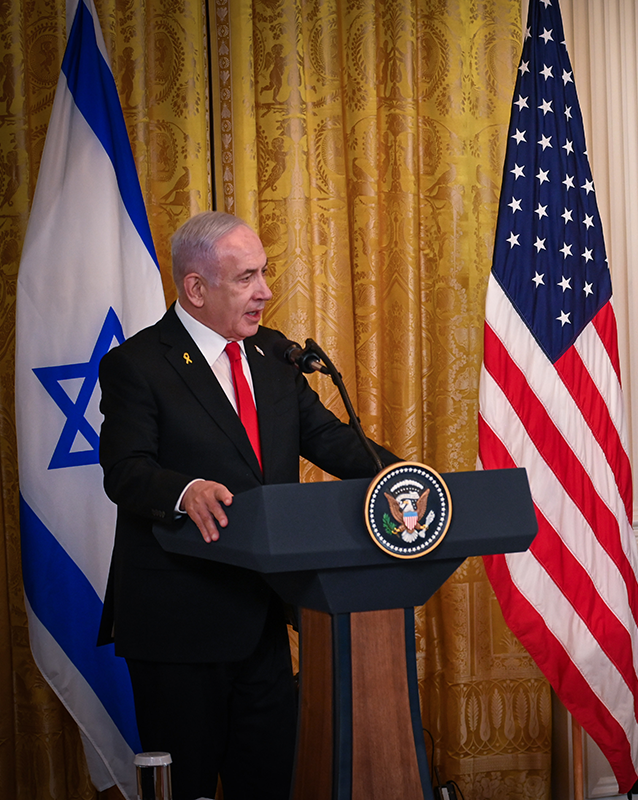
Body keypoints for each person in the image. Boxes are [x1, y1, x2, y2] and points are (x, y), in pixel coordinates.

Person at [97, 211, 396, 800]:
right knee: (187, 788)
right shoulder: (138, 365)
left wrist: (404, 477)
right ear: (196, 288)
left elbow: (330, 439)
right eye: (246, 279)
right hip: (178, 625)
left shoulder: (273, 357)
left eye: (264, 273)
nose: (265, 292)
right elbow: (125, 471)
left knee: (268, 782)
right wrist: (184, 490)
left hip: (262, 614)